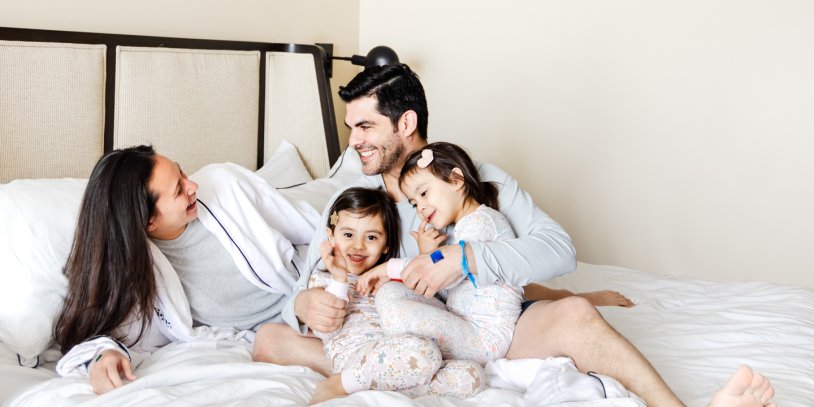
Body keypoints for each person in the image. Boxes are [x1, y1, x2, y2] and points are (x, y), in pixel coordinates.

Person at [254, 64, 776, 407]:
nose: (354, 142)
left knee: (575, 315)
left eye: (364, 127)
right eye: (350, 128)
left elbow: (558, 250)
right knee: (280, 339)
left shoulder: (476, 178)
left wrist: (465, 258)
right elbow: (306, 283)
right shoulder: (350, 197)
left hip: (484, 326)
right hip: (391, 334)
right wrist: (303, 303)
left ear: (405, 121)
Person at [53, 145, 321, 394]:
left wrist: (325, 282)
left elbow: (319, 229)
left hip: (318, 287)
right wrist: (104, 354)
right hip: (280, 335)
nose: (193, 186)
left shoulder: (225, 184)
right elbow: (101, 332)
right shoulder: (139, 273)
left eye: (182, 173)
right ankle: (358, 367)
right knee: (269, 341)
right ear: (148, 222)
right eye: (178, 190)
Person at [308, 186, 484, 404]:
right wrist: (340, 278)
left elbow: (428, 302)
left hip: (401, 360)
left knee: (472, 376)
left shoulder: (388, 276)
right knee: (423, 353)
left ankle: (389, 391)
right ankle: (338, 384)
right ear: (331, 237)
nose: (358, 246)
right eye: (347, 235)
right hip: (360, 361)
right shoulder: (325, 278)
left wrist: (426, 256)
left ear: (385, 245)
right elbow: (324, 328)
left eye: (371, 237)